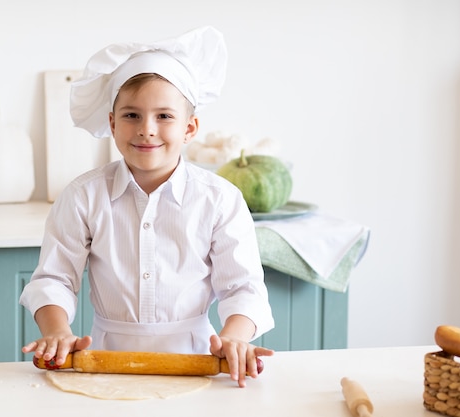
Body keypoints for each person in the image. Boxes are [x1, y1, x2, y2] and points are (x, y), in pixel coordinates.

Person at [19, 26, 274, 388]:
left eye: (165, 116)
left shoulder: (220, 199)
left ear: (190, 128)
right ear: (112, 123)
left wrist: (235, 337)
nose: (147, 130)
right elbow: (54, 279)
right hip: (105, 363)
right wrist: (57, 331)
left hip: (199, 362)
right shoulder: (83, 196)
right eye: (131, 115)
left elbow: (242, 288)